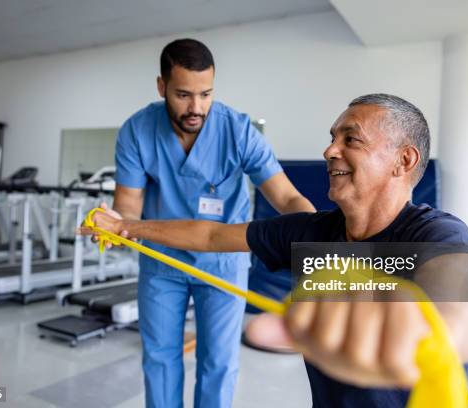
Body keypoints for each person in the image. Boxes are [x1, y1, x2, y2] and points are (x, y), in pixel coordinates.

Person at [82, 93, 468, 407]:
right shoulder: (311, 235)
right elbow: (210, 237)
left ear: (403, 161)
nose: (330, 150)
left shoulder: (438, 235)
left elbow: (460, 311)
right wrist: (126, 226)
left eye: (352, 139)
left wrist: (422, 326)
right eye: (332, 138)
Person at [110, 38, 315, 408]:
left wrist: (320, 236)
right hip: (162, 262)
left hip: (223, 262)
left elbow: (286, 198)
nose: (196, 107)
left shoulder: (237, 130)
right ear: (162, 87)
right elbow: (127, 204)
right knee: (159, 358)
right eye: (183, 94)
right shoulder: (137, 131)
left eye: (206, 94)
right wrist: (117, 226)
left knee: (218, 363)